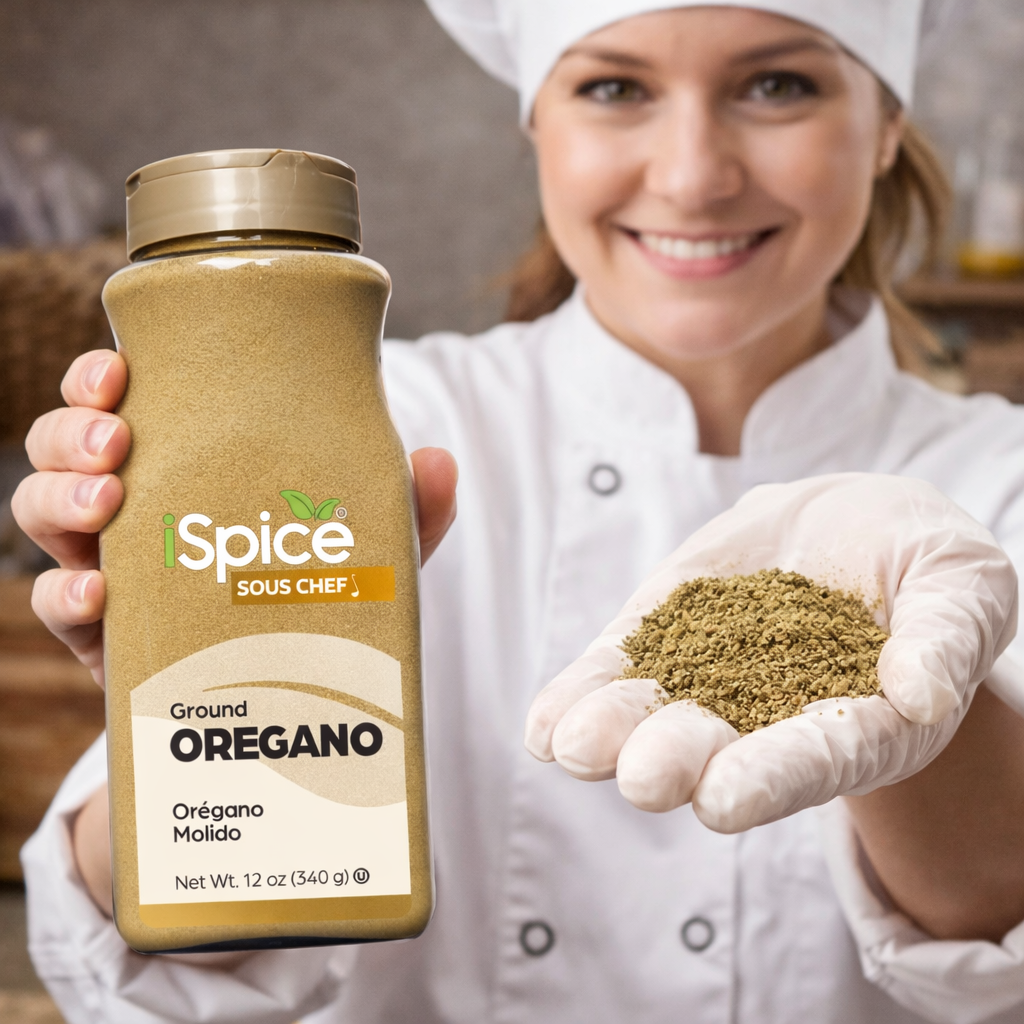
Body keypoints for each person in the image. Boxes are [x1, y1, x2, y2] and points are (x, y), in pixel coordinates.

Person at [13, 0, 1024, 1021]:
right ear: (536, 120)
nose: (690, 174)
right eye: (614, 87)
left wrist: (928, 711)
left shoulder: (994, 479)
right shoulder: (380, 431)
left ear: (891, 120)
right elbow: (151, 979)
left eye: (777, 85)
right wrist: (171, 689)